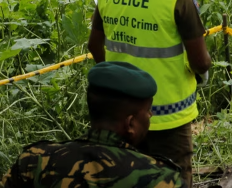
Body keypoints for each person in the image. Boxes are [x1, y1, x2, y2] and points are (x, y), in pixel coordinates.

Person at [88, 0, 212, 187]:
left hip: (120, 116)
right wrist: (201, 73)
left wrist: (116, 82)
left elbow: (94, 46)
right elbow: (201, 60)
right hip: (169, 117)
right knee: (175, 180)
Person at [0, 61, 185, 188]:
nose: (150, 115)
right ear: (130, 123)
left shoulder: (34, 161)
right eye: (148, 111)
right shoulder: (162, 179)